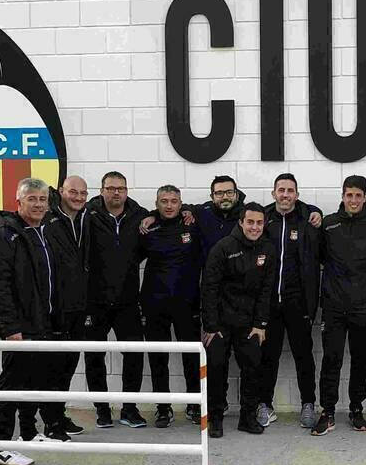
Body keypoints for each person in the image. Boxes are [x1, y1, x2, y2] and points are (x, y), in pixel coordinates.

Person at [0, 177, 64, 465]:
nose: (38, 204)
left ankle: (29, 434)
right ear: (18, 201)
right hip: (18, 326)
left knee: (34, 379)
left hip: (40, 323)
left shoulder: (42, 232)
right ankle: (1, 446)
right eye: (32, 199)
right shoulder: (6, 234)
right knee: (12, 382)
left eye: (43, 199)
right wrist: (10, 328)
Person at [313, 176, 366, 436]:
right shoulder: (329, 224)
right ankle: (328, 412)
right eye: (349, 195)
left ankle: (356, 409)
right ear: (342, 196)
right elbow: (317, 257)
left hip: (363, 307)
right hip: (333, 306)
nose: (353, 200)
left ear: (364, 197)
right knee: (331, 359)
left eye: (358, 195)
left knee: (360, 360)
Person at [200, 203, 278, 437]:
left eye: (259, 223)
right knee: (216, 369)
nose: (255, 227)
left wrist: (260, 324)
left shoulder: (268, 249)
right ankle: (215, 418)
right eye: (250, 222)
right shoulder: (222, 248)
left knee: (253, 369)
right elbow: (209, 288)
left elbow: (267, 291)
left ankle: (247, 418)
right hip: (221, 325)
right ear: (241, 222)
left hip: (250, 325)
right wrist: (211, 325)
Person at [84, 171, 149, 429]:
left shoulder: (139, 214)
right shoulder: (87, 216)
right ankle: (101, 409)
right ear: (101, 190)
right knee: (94, 357)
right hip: (94, 301)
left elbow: (167, 212)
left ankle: (129, 408)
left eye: (121, 188)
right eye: (110, 188)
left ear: (127, 190)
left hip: (127, 300)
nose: (116, 193)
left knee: (134, 355)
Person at [258, 174, 322, 429]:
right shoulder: (263, 219)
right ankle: (265, 405)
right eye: (281, 190)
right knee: (267, 356)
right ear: (273, 193)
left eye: (290, 191)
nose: (285, 195)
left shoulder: (307, 220)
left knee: (303, 356)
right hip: (269, 302)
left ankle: (308, 404)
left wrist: (315, 211)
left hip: (298, 302)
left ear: (297, 194)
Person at [138, 185, 203, 429]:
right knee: (158, 358)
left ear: (180, 203)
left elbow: (210, 209)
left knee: (191, 358)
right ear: (156, 203)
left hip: (187, 303)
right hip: (154, 304)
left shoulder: (191, 224)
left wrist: (188, 210)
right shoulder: (147, 228)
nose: (169, 205)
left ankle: (194, 405)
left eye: (174, 201)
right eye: (164, 201)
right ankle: (163, 407)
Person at [46, 175, 89, 438]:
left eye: (83, 193)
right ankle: (50, 423)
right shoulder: (49, 220)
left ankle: (58, 415)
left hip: (77, 308)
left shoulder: (87, 216)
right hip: (55, 309)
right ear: (61, 191)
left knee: (68, 366)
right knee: (52, 367)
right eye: (73, 192)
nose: (78, 197)